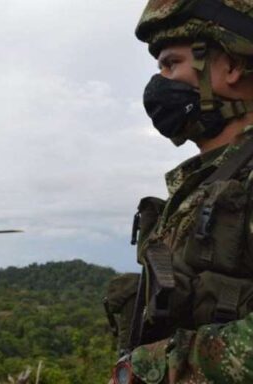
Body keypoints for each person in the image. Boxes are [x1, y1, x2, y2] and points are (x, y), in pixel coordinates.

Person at [105, 1, 253, 383]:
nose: (159, 84)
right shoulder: (211, 179)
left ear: (232, 65)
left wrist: (162, 365)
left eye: (172, 64)